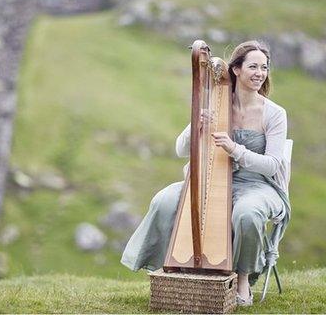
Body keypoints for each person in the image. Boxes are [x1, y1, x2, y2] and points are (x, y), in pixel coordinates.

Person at [120, 40, 291, 306]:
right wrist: (197, 126)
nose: (260, 73)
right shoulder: (216, 101)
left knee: (248, 213)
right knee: (164, 200)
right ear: (235, 69)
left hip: (258, 185)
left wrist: (236, 149)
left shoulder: (274, 114)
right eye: (253, 67)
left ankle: (243, 278)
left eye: (264, 68)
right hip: (213, 178)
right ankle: (170, 270)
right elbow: (180, 149)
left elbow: (272, 165)